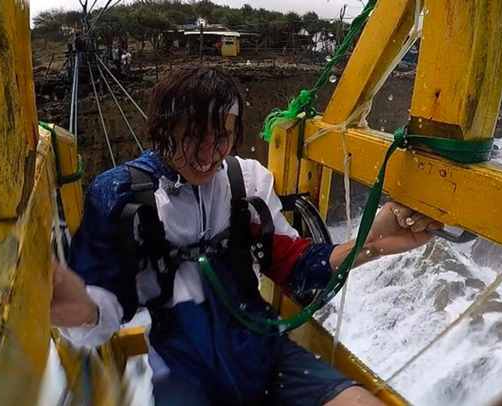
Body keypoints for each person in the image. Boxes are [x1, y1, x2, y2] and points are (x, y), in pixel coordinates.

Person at [51, 66, 442, 405]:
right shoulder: (122, 196)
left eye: (221, 136)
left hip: (266, 355)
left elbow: (295, 265)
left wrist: (368, 243)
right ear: (163, 129)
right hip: (185, 375)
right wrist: (80, 309)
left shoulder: (245, 183)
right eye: (192, 136)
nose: (207, 154)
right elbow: (105, 306)